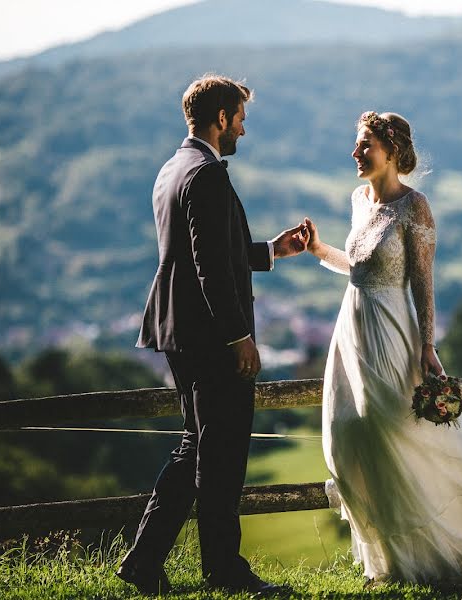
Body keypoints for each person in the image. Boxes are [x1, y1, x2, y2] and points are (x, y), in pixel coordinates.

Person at [304, 111, 462, 586]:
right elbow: (358, 267)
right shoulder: (359, 200)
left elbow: (422, 282)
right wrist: (319, 250)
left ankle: (438, 556)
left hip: (392, 332)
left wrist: (427, 347)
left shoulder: (414, 208)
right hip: (352, 333)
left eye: (366, 144)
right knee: (346, 439)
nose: (356, 153)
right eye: (357, 145)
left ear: (392, 151)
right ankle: (391, 557)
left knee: (397, 435)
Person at [120, 74, 308, 596]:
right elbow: (207, 268)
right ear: (220, 118)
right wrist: (238, 337)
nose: (243, 131)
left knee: (196, 447)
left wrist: (272, 250)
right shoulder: (205, 174)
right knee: (222, 457)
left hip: (178, 333)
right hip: (209, 338)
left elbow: (206, 254)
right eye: (240, 119)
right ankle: (223, 570)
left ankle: (143, 560)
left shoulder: (172, 169)